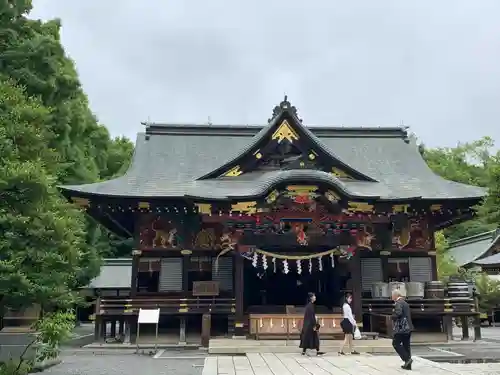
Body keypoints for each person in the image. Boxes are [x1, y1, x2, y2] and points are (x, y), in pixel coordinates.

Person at [391, 289, 413, 370]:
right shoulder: (405, 303)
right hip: (409, 327)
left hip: (402, 327)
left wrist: (392, 316)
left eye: (392, 295)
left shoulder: (398, 303)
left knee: (395, 343)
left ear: (395, 295)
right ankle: (408, 365)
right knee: (406, 345)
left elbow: (398, 313)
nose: (391, 297)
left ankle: (407, 359)